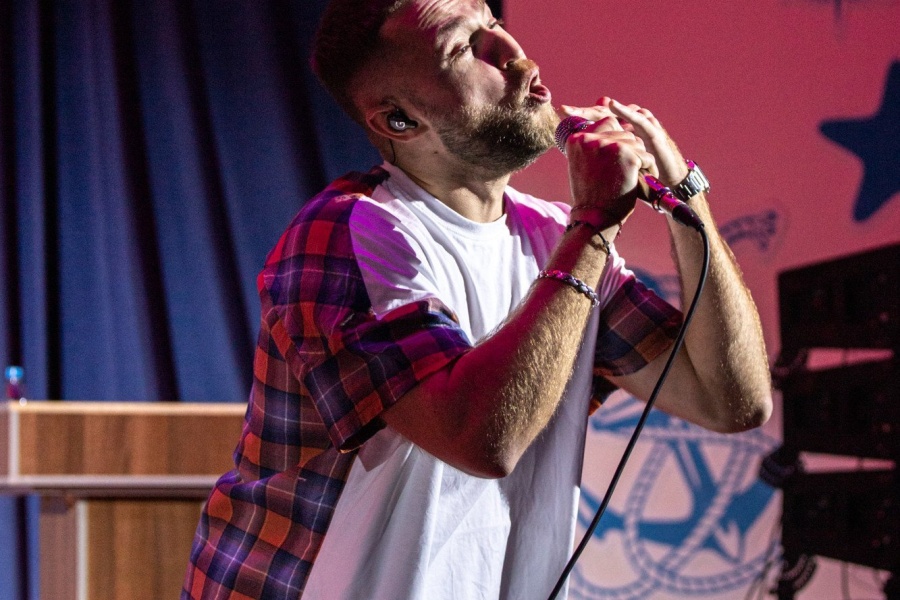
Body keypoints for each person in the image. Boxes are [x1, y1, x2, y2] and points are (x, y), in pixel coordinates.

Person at [182, 0, 773, 598]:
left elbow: (733, 402)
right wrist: (594, 225)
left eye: (494, 25)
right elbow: (481, 439)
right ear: (399, 121)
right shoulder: (353, 232)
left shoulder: (556, 237)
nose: (515, 56)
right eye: (465, 47)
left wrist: (684, 193)